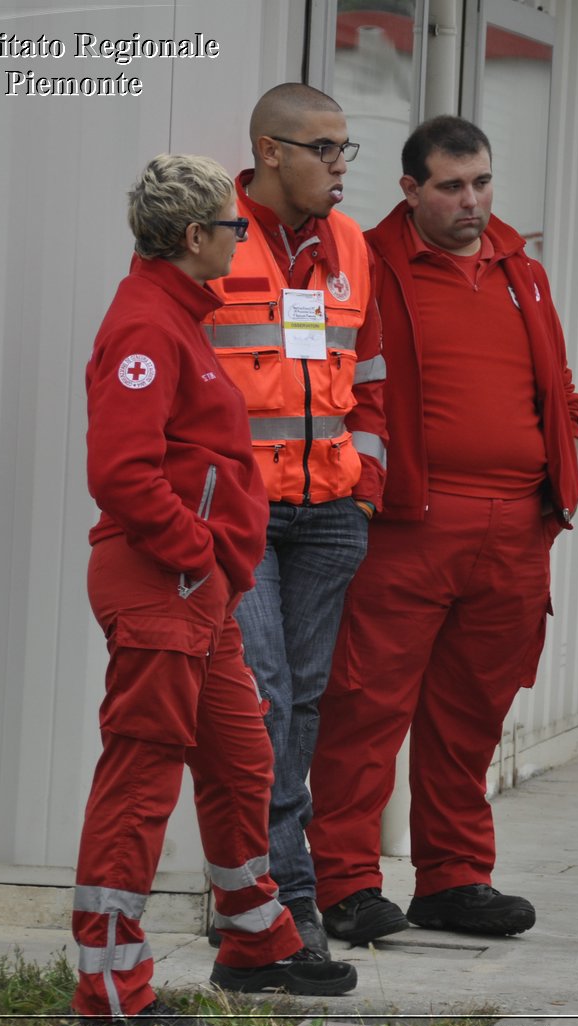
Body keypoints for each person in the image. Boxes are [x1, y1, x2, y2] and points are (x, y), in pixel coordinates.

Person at [72, 154, 357, 1026]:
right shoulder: (149, 328)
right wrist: (197, 552)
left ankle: (256, 936)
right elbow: (122, 471)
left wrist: (210, 567)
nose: (241, 239)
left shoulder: (178, 314)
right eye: (231, 229)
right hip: (168, 585)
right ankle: (111, 987)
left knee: (242, 757)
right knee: (141, 779)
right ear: (195, 237)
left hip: (201, 591)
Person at [305, 116, 578, 945]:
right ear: (410, 189)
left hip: (516, 527)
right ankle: (346, 882)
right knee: (365, 705)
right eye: (453, 185)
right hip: (408, 524)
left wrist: (556, 456)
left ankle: (454, 876)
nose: (472, 201)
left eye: (483, 182)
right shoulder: (368, 260)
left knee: (473, 712)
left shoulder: (518, 267)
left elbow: (556, 383)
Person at [201, 82, 386, 960]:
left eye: (347, 148)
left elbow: (375, 373)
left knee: (304, 701)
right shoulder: (209, 236)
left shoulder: (349, 244)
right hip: (240, 519)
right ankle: (272, 898)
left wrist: (366, 481)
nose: (342, 166)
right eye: (326, 149)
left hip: (328, 515)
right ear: (271, 151)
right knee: (261, 697)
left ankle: (274, 892)